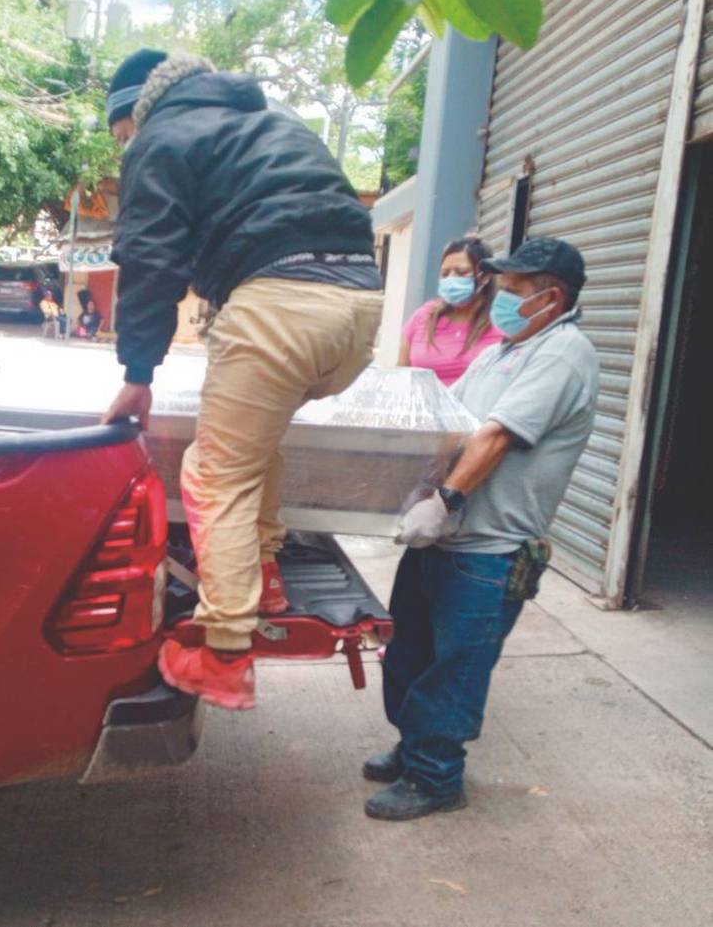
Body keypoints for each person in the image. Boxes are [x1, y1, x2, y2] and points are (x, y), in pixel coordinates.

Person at [101, 49, 383, 710]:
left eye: (120, 136)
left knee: (215, 472)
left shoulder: (162, 136)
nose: (125, 148)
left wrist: (138, 373)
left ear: (135, 110)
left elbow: (149, 256)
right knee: (256, 447)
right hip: (358, 310)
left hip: (282, 305)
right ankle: (263, 573)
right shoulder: (272, 123)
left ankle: (224, 651)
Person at [366, 237, 599, 821]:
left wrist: (443, 500)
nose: (502, 298)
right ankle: (414, 745)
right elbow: (451, 420)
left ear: (552, 297)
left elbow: (494, 435)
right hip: (444, 538)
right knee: (409, 653)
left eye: (515, 290)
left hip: (489, 550)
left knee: (455, 667)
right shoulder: (504, 351)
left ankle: (437, 777)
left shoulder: (563, 353)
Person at [399, 237, 504, 386]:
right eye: (445, 274)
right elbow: (400, 376)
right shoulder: (423, 317)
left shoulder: (503, 322)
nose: (451, 279)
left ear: (485, 277)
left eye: (461, 273)